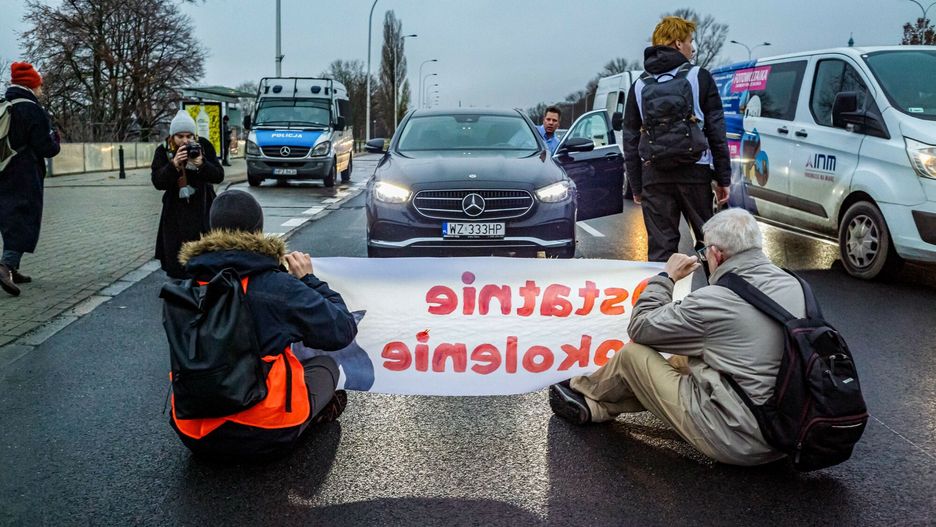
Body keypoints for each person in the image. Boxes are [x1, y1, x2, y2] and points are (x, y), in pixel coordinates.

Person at [548, 208, 807, 466]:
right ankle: (597, 409)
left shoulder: (716, 300)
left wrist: (666, 277)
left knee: (633, 356)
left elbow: (640, 328)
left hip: (740, 440)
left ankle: (580, 391)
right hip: (790, 432)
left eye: (705, 251)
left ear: (716, 254)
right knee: (683, 359)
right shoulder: (795, 285)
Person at [168, 190, 358, 459]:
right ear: (258, 231)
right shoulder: (277, 286)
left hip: (192, 431)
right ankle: (307, 420)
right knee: (326, 367)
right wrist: (308, 280)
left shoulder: (184, 288)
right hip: (265, 433)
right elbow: (342, 330)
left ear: (210, 230)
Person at [621, 16, 731, 262]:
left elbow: (630, 139)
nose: (693, 47)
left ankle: (661, 299)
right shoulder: (699, 77)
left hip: (655, 177)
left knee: (661, 251)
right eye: (690, 41)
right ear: (678, 43)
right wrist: (723, 178)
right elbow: (716, 131)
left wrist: (637, 185)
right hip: (694, 173)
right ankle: (716, 298)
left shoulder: (639, 85)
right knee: (709, 247)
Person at [0, 62, 61, 297]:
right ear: (32, 85)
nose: (41, 90)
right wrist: (55, 139)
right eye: (39, 85)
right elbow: (47, 148)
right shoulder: (32, 109)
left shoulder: (6, 105)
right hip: (24, 172)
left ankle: (13, 268)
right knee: (23, 218)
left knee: (9, 216)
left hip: (4, 167)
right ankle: (5, 266)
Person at [151, 110, 224, 279]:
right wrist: (174, 165)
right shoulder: (163, 151)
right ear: (172, 136)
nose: (185, 141)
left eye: (189, 136)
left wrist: (201, 164)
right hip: (175, 213)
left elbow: (218, 175)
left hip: (203, 209)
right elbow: (158, 182)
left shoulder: (203, 146)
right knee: (176, 261)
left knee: (205, 258)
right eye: (180, 136)